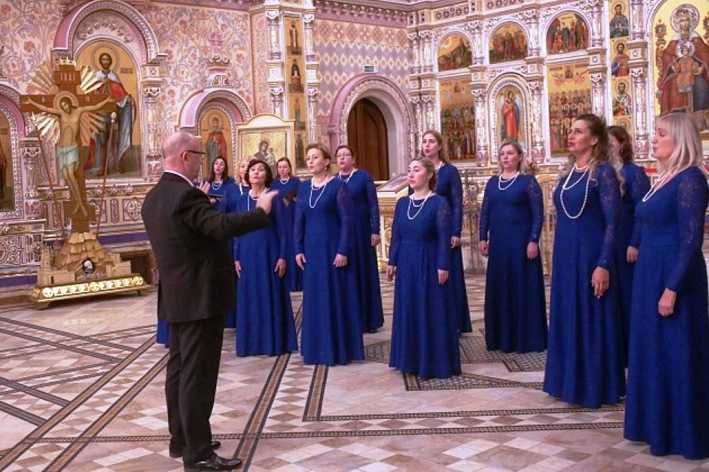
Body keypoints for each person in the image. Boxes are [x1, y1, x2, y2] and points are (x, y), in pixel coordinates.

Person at [141, 131, 277, 471]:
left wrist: (203, 205)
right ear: (185, 156)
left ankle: (182, 439)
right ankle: (198, 454)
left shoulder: (154, 197)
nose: (202, 160)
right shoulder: (186, 197)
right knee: (197, 377)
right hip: (200, 297)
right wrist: (260, 212)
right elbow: (218, 228)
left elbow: (190, 233)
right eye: (200, 155)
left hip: (176, 296)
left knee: (179, 370)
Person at [624, 113, 709, 459]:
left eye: (661, 134)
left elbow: (691, 241)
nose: (653, 138)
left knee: (678, 351)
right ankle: (656, 426)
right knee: (652, 351)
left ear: (680, 139)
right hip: (649, 273)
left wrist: (672, 288)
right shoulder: (660, 179)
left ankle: (686, 434)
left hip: (675, 275)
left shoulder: (691, 180)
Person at [543, 113, 625, 408]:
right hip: (566, 255)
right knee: (567, 315)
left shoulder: (602, 173)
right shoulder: (566, 175)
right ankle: (568, 381)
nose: (571, 135)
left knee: (591, 316)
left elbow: (612, 223)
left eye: (578, 131)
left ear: (593, 139)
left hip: (591, 255)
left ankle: (595, 385)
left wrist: (603, 263)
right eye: (570, 130)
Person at [387, 157, 460, 379]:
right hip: (407, 264)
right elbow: (396, 235)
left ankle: (433, 361)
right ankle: (409, 360)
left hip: (429, 262)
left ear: (429, 175)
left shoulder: (439, 204)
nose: (410, 174)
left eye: (416, 170)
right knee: (409, 308)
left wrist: (443, 265)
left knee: (430, 309)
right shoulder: (402, 203)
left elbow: (442, 238)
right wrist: (392, 261)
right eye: (408, 170)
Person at [294, 143, 364, 365]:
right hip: (312, 250)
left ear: (326, 161)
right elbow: (298, 221)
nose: (311, 161)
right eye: (308, 158)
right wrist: (298, 249)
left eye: (315, 157)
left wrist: (343, 249)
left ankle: (339, 348)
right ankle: (317, 349)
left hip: (333, 248)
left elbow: (347, 221)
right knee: (315, 297)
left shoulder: (337, 187)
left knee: (335, 295)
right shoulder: (304, 188)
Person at [479, 141, 547, 353]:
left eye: (510, 153)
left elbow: (538, 214)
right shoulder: (492, 182)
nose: (505, 157)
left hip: (521, 244)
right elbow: (485, 211)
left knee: (521, 287)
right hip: (499, 245)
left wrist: (533, 240)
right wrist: (483, 237)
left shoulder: (528, 182)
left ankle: (525, 337)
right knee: (501, 287)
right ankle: (501, 337)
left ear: (519, 157)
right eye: (502, 154)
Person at [234, 159, 297, 356]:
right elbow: (236, 229)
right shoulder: (242, 199)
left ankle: (273, 342)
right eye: (252, 170)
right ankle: (252, 344)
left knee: (270, 293)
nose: (256, 173)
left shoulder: (274, 197)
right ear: (247, 175)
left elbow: (283, 229)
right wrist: (236, 257)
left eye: (261, 170)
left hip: (269, 251)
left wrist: (282, 256)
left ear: (266, 174)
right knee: (249, 296)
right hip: (246, 252)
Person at [24, 94, 113, 218]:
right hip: (61, 148)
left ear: (70, 103)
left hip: (71, 148)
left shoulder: (79, 111)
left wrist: (106, 99)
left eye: (65, 105)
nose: (65, 108)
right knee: (66, 176)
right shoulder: (61, 113)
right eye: (62, 106)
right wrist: (32, 102)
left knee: (71, 175)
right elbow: (46, 108)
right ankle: (77, 202)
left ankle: (81, 204)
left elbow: (94, 106)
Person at [420, 130, 471, 334]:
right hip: (426, 233)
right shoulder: (420, 169)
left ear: (440, 146)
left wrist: (456, 231)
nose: (427, 145)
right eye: (424, 141)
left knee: (450, 274)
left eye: (431, 141)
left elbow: (457, 203)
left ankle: (454, 320)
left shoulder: (449, 171)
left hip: (445, 231)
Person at [607, 125, 650, 362]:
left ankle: (631, 348)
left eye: (611, 142)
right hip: (607, 242)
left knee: (627, 294)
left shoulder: (634, 173)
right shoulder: (602, 171)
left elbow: (641, 211)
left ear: (622, 145)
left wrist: (635, 243)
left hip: (626, 240)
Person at [335, 145, 384, 333]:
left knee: (364, 271)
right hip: (341, 232)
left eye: (346, 155)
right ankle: (349, 318)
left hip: (361, 230)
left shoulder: (363, 177)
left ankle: (369, 319)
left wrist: (375, 230)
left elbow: (373, 204)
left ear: (353, 159)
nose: (342, 158)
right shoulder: (333, 180)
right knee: (346, 273)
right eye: (339, 156)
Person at [88, 52, 135, 175]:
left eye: (107, 59)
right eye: (103, 59)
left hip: (114, 114)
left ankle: (115, 165)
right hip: (102, 116)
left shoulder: (114, 77)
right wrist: (101, 84)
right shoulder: (96, 76)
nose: (105, 61)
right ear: (100, 61)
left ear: (110, 61)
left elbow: (121, 93)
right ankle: (103, 168)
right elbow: (91, 94)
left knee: (114, 141)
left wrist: (127, 98)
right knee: (103, 142)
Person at [657, 7, 709, 114]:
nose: (684, 23)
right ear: (678, 23)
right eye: (682, 21)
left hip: (695, 72)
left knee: (700, 84)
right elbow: (667, 55)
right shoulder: (675, 39)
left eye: (687, 20)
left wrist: (701, 68)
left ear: (690, 22)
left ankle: (699, 114)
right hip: (680, 71)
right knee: (671, 84)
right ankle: (677, 113)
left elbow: (705, 55)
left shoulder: (695, 37)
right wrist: (672, 64)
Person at [270, 157, 302, 291]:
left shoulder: (296, 182)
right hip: (280, 216)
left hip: (293, 215)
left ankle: (297, 282)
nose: (282, 169)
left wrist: (296, 199)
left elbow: (301, 198)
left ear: (289, 168)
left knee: (294, 245)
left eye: (285, 167)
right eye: (280, 167)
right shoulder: (273, 184)